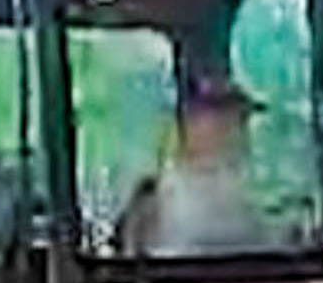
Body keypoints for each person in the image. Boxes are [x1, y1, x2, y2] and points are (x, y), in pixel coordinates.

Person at [116, 72, 271, 258]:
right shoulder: (154, 202)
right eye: (222, 119)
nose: (236, 131)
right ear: (190, 124)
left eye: (241, 120)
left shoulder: (247, 193)